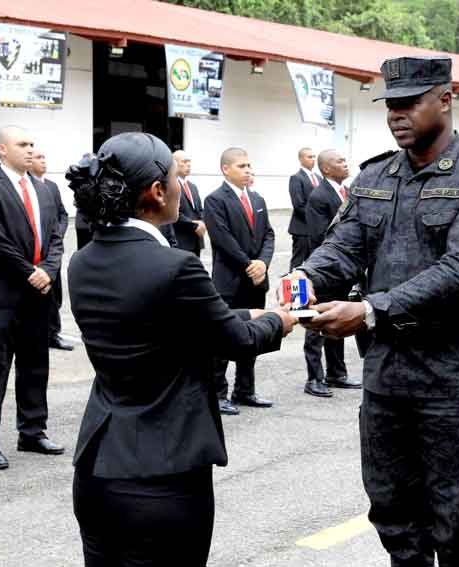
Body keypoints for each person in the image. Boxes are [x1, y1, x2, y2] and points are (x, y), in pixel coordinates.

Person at [288, 56, 459, 566]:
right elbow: (343, 247)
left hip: (457, 375)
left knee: (456, 519)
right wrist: (307, 276)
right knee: (393, 513)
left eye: (410, 103)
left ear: (445, 99)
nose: (397, 114)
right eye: (391, 104)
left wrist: (371, 310)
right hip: (389, 373)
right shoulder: (375, 176)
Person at [66, 132, 295, 567]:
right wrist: (281, 320)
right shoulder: (175, 266)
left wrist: (248, 313)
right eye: (175, 177)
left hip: (98, 469)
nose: (179, 186)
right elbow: (236, 340)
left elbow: (174, 319)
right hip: (162, 476)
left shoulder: (83, 262)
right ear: (157, 191)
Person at [0, 125, 66, 470]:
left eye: (32, 144)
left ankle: (32, 431)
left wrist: (49, 271)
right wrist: (30, 272)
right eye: (22, 144)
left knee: (35, 364)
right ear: (2, 150)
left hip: (39, 292)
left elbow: (56, 236)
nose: (30, 149)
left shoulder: (43, 189)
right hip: (2, 292)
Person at [203, 147, 276, 416]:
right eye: (242, 166)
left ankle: (245, 390)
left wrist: (263, 264)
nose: (248, 170)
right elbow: (223, 239)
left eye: (249, 165)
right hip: (230, 281)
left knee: (251, 336)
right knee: (223, 338)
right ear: (226, 169)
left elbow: (268, 235)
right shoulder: (215, 200)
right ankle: (217, 393)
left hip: (256, 281)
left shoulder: (257, 198)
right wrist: (249, 265)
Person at [301, 149, 361, 397]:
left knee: (338, 319)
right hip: (324, 271)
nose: (345, 164)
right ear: (326, 168)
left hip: (341, 271)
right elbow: (319, 236)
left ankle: (337, 373)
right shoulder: (319, 196)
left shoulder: (345, 191)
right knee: (316, 325)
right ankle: (314, 378)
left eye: (345, 160)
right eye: (340, 161)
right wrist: (326, 266)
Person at [29, 149, 74, 352]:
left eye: (44, 157)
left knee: (55, 294)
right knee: (38, 293)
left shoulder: (51, 186)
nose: (43, 161)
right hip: (35, 251)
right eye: (39, 158)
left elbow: (62, 214)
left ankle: (53, 333)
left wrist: (59, 233)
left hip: (52, 250)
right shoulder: (27, 187)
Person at [287, 147, 320, 270]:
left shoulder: (319, 177)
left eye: (314, 156)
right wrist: (317, 217)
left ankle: (310, 282)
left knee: (314, 262)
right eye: (309, 157)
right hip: (302, 229)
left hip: (316, 230)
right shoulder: (296, 178)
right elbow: (298, 204)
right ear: (301, 159)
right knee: (298, 262)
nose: (313, 159)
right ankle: (294, 283)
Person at [171, 150, 206, 256]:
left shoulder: (192, 187)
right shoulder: (170, 185)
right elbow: (173, 212)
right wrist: (194, 225)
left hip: (196, 240)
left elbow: (200, 210)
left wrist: (202, 222)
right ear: (174, 163)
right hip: (181, 241)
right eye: (184, 161)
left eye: (189, 161)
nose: (188, 164)